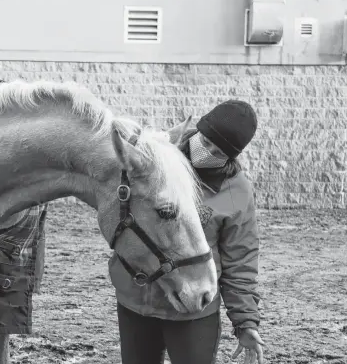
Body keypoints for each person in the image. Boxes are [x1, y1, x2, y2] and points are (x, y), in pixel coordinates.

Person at [108, 100, 265, 364]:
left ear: (232, 157)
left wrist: (245, 322)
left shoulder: (236, 192)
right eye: (206, 142)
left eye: (219, 151)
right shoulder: (157, 162)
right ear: (197, 131)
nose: (208, 152)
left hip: (192, 311)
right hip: (136, 301)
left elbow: (241, 261)